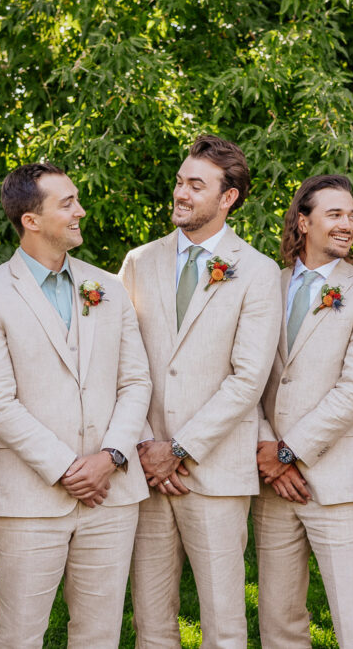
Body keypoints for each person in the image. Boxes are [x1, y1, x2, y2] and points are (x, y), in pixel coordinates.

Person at [0, 162, 151, 648]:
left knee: (100, 634)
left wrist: (109, 457)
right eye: (66, 203)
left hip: (111, 495)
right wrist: (69, 467)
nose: (80, 211)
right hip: (31, 499)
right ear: (31, 219)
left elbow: (136, 381)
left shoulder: (107, 287)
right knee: (20, 636)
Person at [119, 135, 281, 648]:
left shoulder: (257, 271)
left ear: (227, 197)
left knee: (224, 623)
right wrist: (147, 446)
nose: (181, 193)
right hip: (144, 471)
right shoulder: (138, 262)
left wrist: (181, 449)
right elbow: (122, 362)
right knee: (151, 621)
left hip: (213, 471)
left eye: (195, 185)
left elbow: (248, 378)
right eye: (179, 181)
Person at [252, 174, 353, 648]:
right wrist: (266, 446)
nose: (347, 224)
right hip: (271, 480)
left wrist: (287, 453)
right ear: (303, 221)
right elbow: (244, 377)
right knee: (278, 617)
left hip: (336, 477)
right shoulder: (263, 285)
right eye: (334, 214)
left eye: (352, 216)